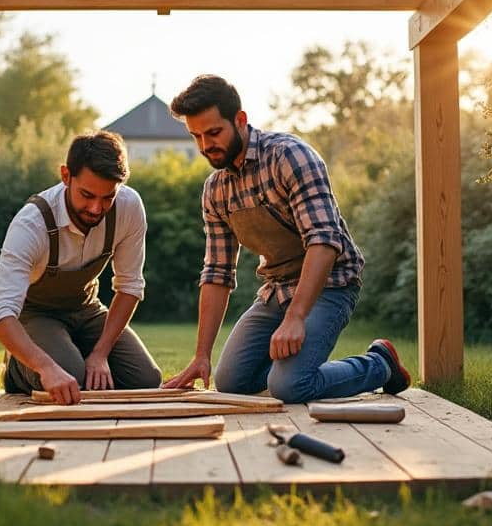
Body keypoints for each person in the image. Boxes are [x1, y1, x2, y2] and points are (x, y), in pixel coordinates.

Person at [161, 75, 410, 403]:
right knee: (231, 382)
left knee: (290, 386)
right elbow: (217, 273)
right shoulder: (215, 190)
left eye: (214, 133)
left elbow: (324, 241)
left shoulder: (289, 156)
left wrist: (296, 318)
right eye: (197, 137)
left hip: (330, 283)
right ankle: (291, 369)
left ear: (240, 120)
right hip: (277, 290)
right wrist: (201, 355)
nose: (206, 146)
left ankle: (380, 364)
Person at [0, 130, 162, 404]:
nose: (96, 208)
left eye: (107, 198)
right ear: (66, 175)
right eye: (87, 195)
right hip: (37, 315)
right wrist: (46, 367)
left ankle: (73, 354)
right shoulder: (32, 224)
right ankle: (16, 369)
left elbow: (129, 287)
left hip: (86, 310)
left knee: (146, 380)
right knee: (71, 379)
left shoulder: (128, 208)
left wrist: (101, 353)